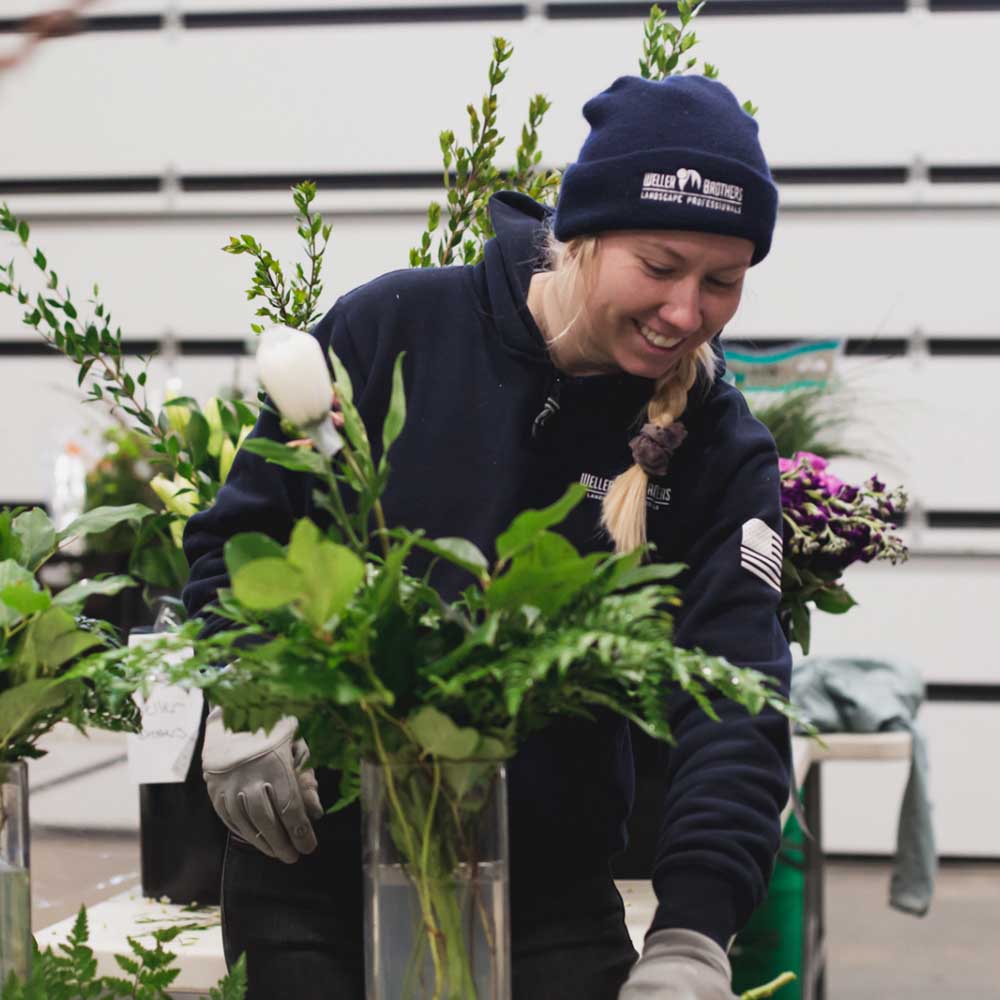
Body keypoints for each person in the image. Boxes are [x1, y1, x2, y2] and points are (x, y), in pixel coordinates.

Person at [183, 73, 792, 1000]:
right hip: (313, 879)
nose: (686, 312)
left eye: (723, 282)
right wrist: (243, 692)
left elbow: (736, 697)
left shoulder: (715, 447)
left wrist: (693, 936)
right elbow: (243, 539)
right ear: (582, 236)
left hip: (549, 901)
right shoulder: (396, 330)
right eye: (660, 267)